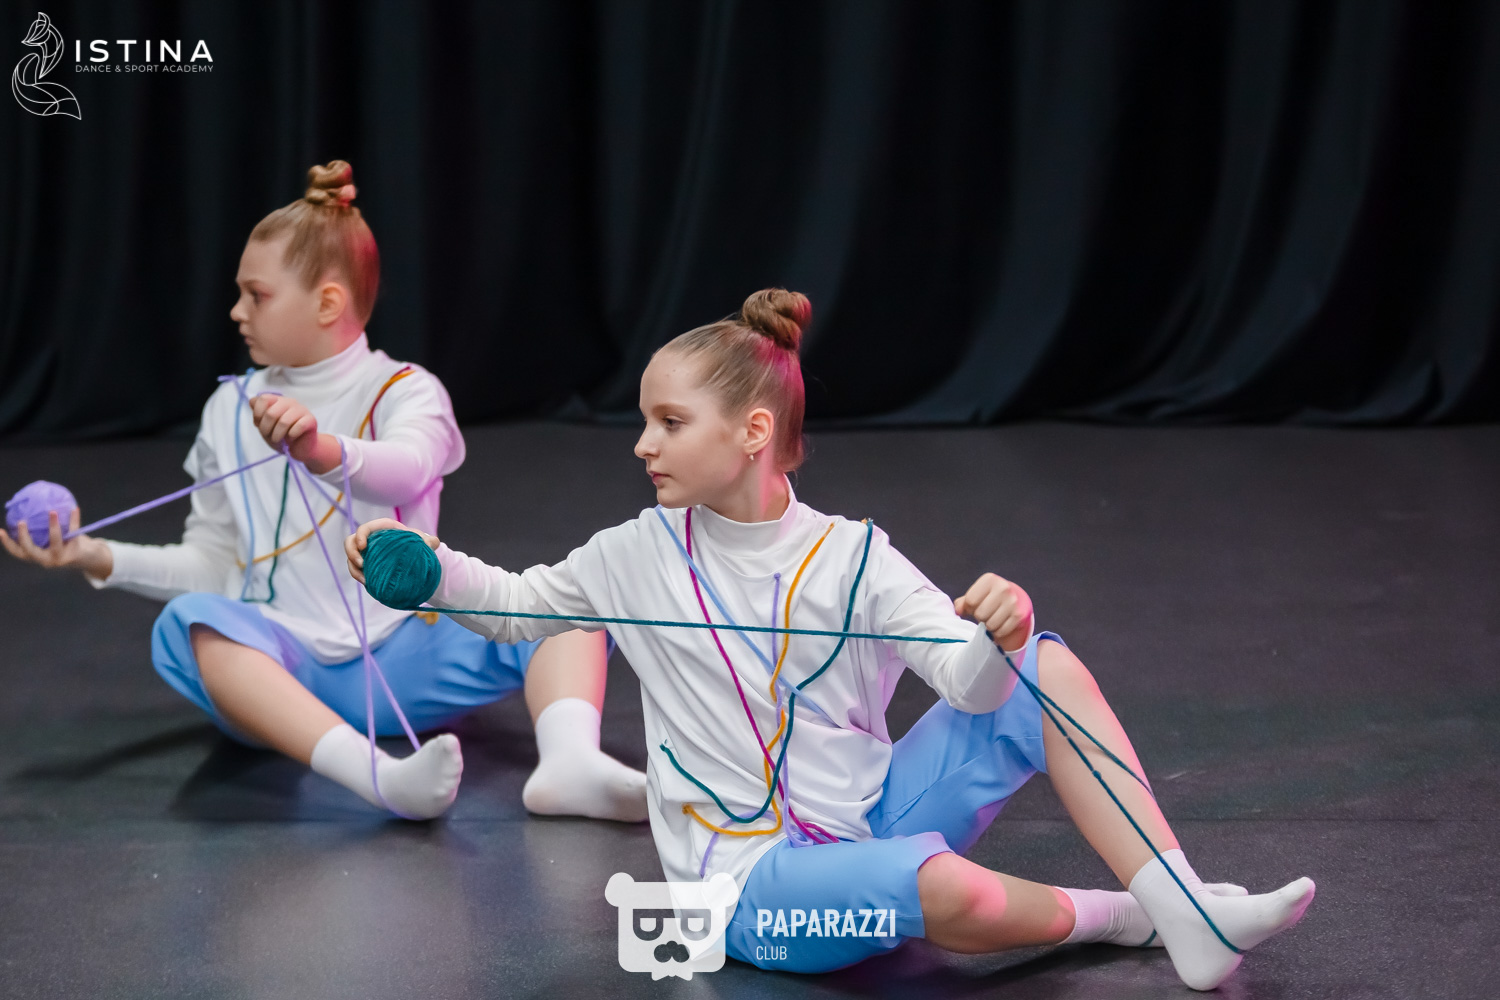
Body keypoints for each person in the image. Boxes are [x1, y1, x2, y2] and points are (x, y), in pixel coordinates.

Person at [345, 288, 1314, 988]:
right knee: (947, 892)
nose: (643, 443)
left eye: (670, 422)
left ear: (752, 431)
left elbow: (972, 687)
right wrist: (430, 572)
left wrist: (1001, 635)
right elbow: (519, 607)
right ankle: (1130, 917)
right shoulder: (633, 552)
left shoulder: (857, 558)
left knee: (1046, 664)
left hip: (870, 816)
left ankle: (1185, 906)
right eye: (645, 421)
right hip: (747, 889)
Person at [2, 161, 646, 824]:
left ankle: (570, 763)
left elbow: (408, 468)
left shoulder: (406, 389)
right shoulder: (229, 408)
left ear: (328, 304)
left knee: (573, 599)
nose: (237, 312)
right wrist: (92, 555)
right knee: (191, 622)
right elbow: (215, 565)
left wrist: (320, 449)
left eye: (256, 295)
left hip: (410, 656)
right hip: (285, 675)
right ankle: (376, 777)